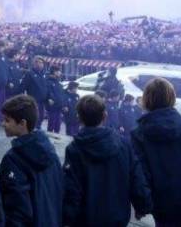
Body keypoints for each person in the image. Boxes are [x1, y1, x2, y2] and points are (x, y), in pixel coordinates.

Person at [63, 94, 152, 226]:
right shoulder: (123, 144)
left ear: (79, 118)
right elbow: (136, 178)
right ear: (105, 116)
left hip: (86, 219)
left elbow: (71, 189)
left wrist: (67, 218)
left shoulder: (74, 149)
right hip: (117, 217)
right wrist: (143, 205)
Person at [130, 78, 181, 227]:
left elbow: (141, 173)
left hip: (163, 204)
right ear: (172, 97)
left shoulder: (139, 134)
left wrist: (142, 204)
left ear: (147, 99)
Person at [0, 94, 65, 226]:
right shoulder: (51, 152)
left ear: (22, 123)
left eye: (7, 120)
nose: (3, 124)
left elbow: (17, 209)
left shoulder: (12, 159)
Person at [21, 56, 48, 129]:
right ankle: (33, 130)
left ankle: (37, 129)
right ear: (34, 64)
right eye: (37, 62)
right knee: (34, 117)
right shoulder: (29, 74)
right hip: (33, 100)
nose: (39, 64)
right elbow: (23, 86)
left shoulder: (44, 74)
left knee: (41, 116)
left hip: (42, 101)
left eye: (41, 62)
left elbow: (46, 87)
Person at [45, 66, 64, 134]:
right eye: (59, 71)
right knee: (51, 124)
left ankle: (56, 139)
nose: (60, 73)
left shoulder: (58, 82)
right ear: (54, 72)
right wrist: (49, 99)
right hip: (52, 106)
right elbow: (47, 92)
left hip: (59, 106)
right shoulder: (48, 81)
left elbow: (61, 94)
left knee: (58, 125)